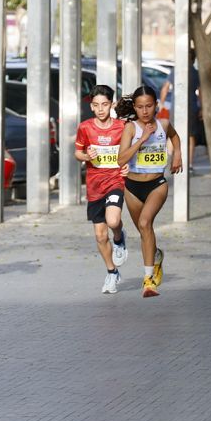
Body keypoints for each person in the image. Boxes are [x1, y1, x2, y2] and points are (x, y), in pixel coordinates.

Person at [117, 85, 182, 298]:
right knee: (143, 231)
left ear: (156, 105)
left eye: (149, 106)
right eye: (140, 107)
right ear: (134, 108)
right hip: (132, 187)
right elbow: (121, 159)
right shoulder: (130, 128)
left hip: (157, 184)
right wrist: (142, 139)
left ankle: (148, 280)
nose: (145, 111)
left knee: (146, 224)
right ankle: (156, 255)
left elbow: (175, 137)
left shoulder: (163, 124)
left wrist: (178, 155)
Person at [74, 85, 129, 293]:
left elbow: (132, 150)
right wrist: (87, 157)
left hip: (115, 181)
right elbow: (77, 153)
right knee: (99, 235)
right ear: (91, 106)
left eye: (104, 105)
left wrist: (127, 165)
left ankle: (119, 237)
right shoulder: (85, 127)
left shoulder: (122, 127)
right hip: (94, 185)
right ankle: (112, 272)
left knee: (113, 220)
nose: (100, 109)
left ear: (112, 105)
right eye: (96, 105)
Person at [158, 57, 203, 173]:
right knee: (191, 135)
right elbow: (201, 92)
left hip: (176, 107)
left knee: (172, 132)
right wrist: (201, 107)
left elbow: (165, 88)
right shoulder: (195, 73)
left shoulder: (176, 71)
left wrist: (162, 104)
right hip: (192, 107)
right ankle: (190, 164)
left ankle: (168, 159)